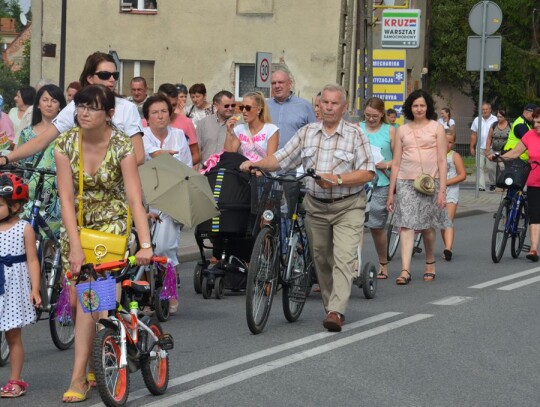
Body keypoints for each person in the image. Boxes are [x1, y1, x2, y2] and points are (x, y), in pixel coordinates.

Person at [240, 83, 375, 332]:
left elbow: (368, 172)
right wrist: (256, 163)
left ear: (343, 108)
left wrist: (339, 179)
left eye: (335, 103)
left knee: (344, 259)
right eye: (325, 102)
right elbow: (280, 158)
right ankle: (331, 305)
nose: (329, 107)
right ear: (319, 105)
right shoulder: (307, 133)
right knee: (321, 258)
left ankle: (336, 311)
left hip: (348, 205)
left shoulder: (356, 135)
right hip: (316, 206)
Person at [54, 85, 153, 403]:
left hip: (113, 228)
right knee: (79, 301)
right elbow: (66, 199)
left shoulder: (123, 145)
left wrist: (146, 244)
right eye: (79, 105)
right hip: (78, 225)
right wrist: (76, 246)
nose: (83, 112)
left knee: (92, 300)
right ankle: (101, 351)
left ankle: (79, 376)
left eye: (91, 107)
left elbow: (135, 199)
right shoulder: (65, 144)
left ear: (109, 113)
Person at [0, 51, 145, 167]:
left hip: (116, 192)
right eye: (105, 75)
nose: (112, 79)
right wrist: (7, 158)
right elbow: (41, 140)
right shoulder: (74, 107)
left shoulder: (127, 108)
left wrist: (102, 174)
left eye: (115, 75)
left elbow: (138, 156)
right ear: (90, 78)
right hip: (79, 189)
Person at [386, 89, 451, 285]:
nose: (419, 109)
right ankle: (405, 270)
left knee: (427, 226)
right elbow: (396, 162)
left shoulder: (436, 128)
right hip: (406, 181)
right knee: (405, 224)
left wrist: (442, 191)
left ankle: (430, 261)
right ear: (410, 108)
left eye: (422, 105)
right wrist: (391, 193)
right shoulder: (402, 130)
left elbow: (442, 159)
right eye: (415, 105)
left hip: (430, 183)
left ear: (428, 107)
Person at [142, 94, 192, 312]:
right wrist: (163, 155)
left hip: (172, 196)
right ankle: (143, 293)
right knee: (142, 247)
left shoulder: (179, 135)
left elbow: (187, 166)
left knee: (165, 248)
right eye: (155, 112)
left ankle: (170, 291)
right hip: (144, 197)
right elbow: (149, 154)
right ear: (147, 118)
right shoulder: (140, 135)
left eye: (164, 111)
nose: (160, 116)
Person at [0, 174, 40, 398]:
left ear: (15, 205)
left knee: (12, 337)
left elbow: (32, 260)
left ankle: (15, 380)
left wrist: (34, 289)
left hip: (14, 287)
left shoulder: (24, 228)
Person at [17, 84, 67, 235]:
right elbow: (19, 167)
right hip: (30, 198)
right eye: (45, 100)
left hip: (57, 198)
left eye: (54, 100)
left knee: (52, 245)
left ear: (61, 106)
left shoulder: (67, 135)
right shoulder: (26, 134)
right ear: (38, 104)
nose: (49, 104)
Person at [359, 97, 395, 279]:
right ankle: (353, 265)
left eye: (374, 116)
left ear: (382, 114)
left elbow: (400, 159)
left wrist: (386, 164)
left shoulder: (390, 131)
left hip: (381, 183)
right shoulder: (358, 128)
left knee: (376, 226)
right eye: (367, 115)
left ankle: (383, 262)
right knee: (355, 225)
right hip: (359, 182)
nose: (371, 119)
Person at [498, 107, 540, 262]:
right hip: (534, 181)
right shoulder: (530, 135)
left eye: (539, 122)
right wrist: (499, 157)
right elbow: (515, 152)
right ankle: (534, 249)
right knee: (535, 215)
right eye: (535, 122)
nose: (536, 125)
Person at [267, 68, 316, 148]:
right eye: (273, 83)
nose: (277, 86)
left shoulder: (305, 106)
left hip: (295, 159)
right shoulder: (264, 106)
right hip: (268, 158)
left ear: (290, 84)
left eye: (280, 82)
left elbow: (314, 135)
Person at [224, 91, 279, 161]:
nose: (243, 111)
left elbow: (271, 160)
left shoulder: (271, 130)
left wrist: (256, 170)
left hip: (263, 171)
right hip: (243, 171)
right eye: (241, 107)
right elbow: (229, 157)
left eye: (247, 108)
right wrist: (228, 132)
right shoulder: (239, 129)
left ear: (258, 110)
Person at [156, 83, 200, 165]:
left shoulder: (186, 122)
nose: (170, 109)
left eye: (174, 105)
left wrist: (181, 169)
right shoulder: (145, 123)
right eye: (166, 105)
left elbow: (196, 155)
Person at [441, 132, 466, 261]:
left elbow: (462, 175)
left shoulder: (454, 156)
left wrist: (447, 182)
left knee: (448, 220)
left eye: (450, 142)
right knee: (441, 223)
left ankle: (448, 248)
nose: (447, 144)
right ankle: (446, 245)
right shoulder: (435, 154)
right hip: (438, 191)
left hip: (451, 190)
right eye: (445, 141)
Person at [196, 90, 236, 163]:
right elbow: (197, 150)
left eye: (233, 105)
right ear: (216, 105)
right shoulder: (203, 123)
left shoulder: (239, 126)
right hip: (205, 170)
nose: (230, 108)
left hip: (227, 170)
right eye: (226, 106)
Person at [470, 103, 497, 191]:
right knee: (479, 167)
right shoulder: (477, 120)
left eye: (486, 109)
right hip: (480, 147)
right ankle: (481, 186)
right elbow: (474, 134)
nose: (484, 111)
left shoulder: (495, 120)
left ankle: (493, 183)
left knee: (491, 167)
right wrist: (472, 147)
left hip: (492, 147)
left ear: (490, 110)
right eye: (483, 109)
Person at [485, 109, 511, 181]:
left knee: (502, 167)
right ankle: (494, 183)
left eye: (500, 117)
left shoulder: (510, 126)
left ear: (505, 117)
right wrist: (488, 150)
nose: (499, 118)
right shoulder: (494, 125)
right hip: (494, 150)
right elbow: (489, 138)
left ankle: (502, 183)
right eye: (497, 117)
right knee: (490, 168)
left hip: (504, 151)